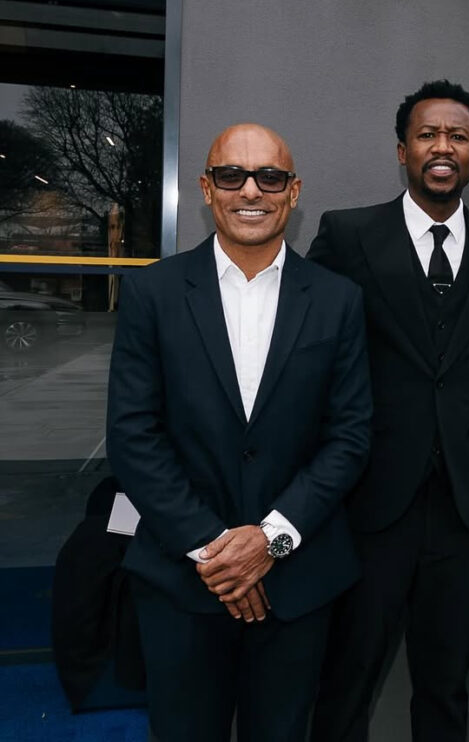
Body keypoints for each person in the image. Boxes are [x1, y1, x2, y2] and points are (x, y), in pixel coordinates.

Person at [106, 123, 372, 742]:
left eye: (269, 177)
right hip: (180, 580)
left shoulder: (338, 300)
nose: (251, 190)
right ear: (206, 188)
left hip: (297, 584)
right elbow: (133, 434)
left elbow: (350, 435)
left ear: (294, 192)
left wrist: (269, 541)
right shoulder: (152, 292)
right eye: (232, 175)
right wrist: (215, 550)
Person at [307, 80, 469, 742]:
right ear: (402, 150)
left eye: (458, 137)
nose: (442, 147)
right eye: (427, 135)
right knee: (346, 681)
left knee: (445, 685)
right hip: (369, 503)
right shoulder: (347, 235)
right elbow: (309, 358)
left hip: (461, 510)